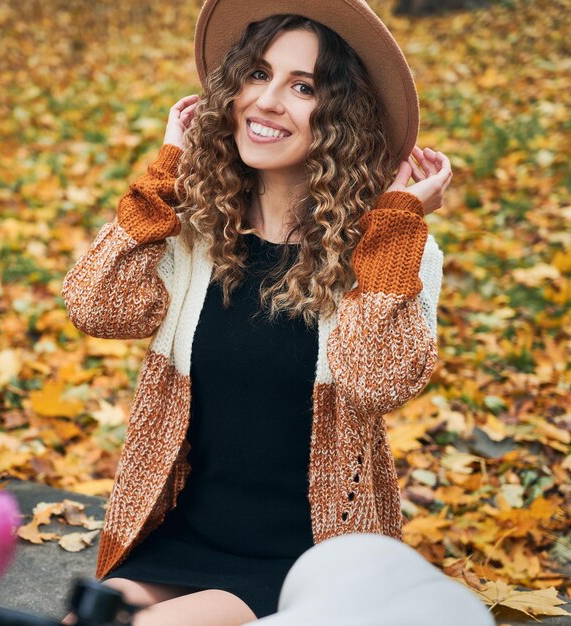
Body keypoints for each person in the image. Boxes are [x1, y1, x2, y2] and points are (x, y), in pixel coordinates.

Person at [59, 1, 464, 624]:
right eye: (256, 74)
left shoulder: (394, 251)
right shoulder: (194, 232)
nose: (267, 101)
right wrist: (166, 176)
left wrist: (393, 232)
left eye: (302, 87)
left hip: (310, 561)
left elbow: (375, 380)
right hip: (183, 541)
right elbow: (96, 303)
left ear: (344, 118)